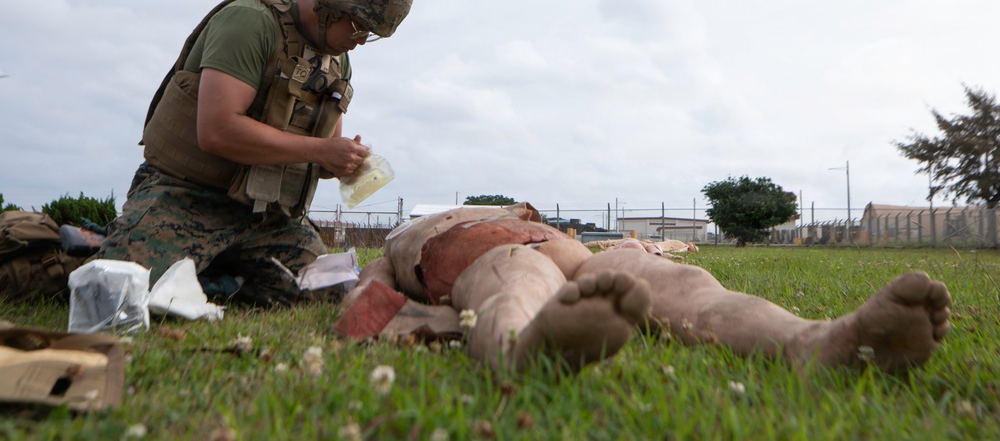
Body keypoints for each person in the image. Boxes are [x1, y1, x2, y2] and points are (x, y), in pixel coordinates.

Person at [95, 0, 413, 305]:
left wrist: (343, 161)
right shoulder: (251, 22)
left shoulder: (336, 61)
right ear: (329, 4)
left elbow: (321, 154)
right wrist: (321, 151)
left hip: (269, 218)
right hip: (188, 197)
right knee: (114, 293)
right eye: (358, 27)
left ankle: (211, 277)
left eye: (369, 34)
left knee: (327, 293)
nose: (359, 41)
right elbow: (217, 131)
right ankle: (92, 244)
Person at [334, 204, 951, 374]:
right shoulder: (404, 238)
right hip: (491, 262)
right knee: (517, 286)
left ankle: (818, 342)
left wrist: (632, 253)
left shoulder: (526, 216)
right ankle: (525, 348)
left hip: (579, 259)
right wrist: (376, 303)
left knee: (692, 290)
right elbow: (369, 290)